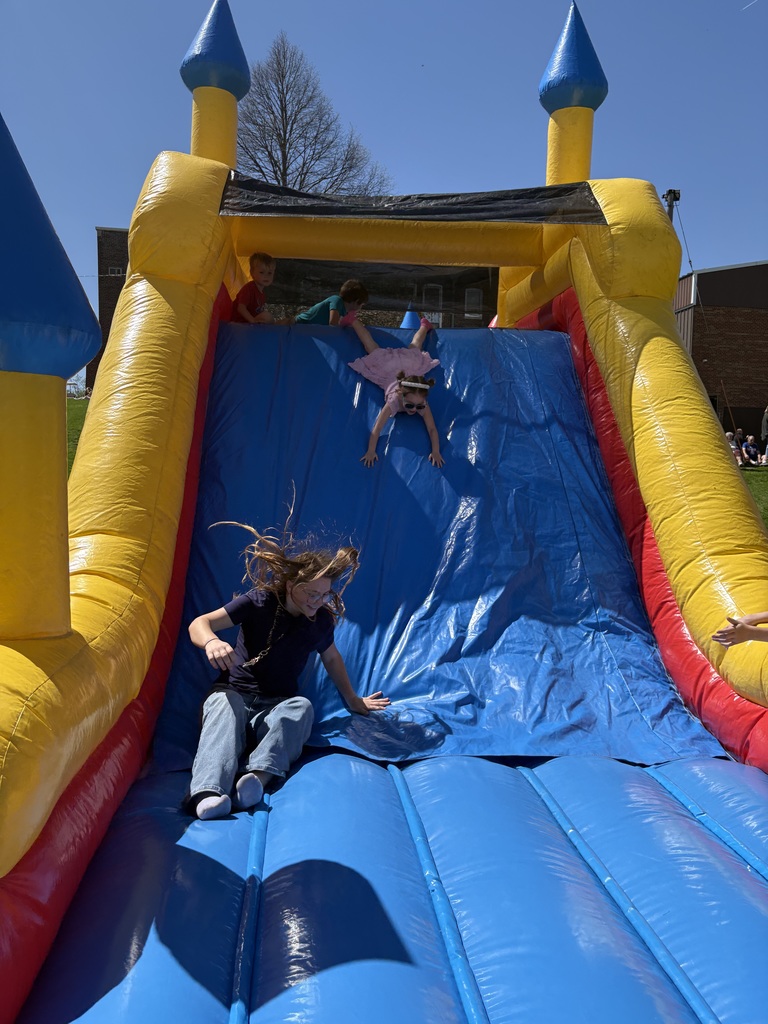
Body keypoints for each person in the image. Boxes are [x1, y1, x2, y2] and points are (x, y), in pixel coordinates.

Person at [187, 520, 390, 820]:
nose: (317, 602)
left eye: (324, 595)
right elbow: (199, 624)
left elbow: (332, 658)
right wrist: (212, 642)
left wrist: (352, 699)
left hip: (275, 705)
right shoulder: (260, 602)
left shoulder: (320, 620)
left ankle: (256, 780)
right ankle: (208, 793)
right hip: (235, 693)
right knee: (222, 705)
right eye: (311, 593)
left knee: (301, 708)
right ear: (291, 585)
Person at [347, 315, 444, 468]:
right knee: (372, 348)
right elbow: (377, 428)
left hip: (408, 364)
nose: (414, 410)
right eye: (410, 405)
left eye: (418, 407)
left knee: (414, 347)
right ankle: (354, 321)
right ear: (400, 394)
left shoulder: (421, 402)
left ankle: (425, 326)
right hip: (387, 368)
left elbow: (432, 428)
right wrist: (371, 450)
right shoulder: (394, 401)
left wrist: (436, 451)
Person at [293, 279, 368, 326]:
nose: (361, 308)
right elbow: (333, 323)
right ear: (357, 301)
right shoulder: (337, 300)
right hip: (296, 323)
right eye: (362, 304)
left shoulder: (345, 312)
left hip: (308, 329)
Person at [231, 252, 277, 324]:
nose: (266, 276)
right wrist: (253, 321)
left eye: (270, 273)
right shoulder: (249, 288)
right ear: (252, 273)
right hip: (238, 323)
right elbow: (241, 308)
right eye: (262, 272)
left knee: (282, 321)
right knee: (266, 316)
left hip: (250, 323)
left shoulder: (262, 294)